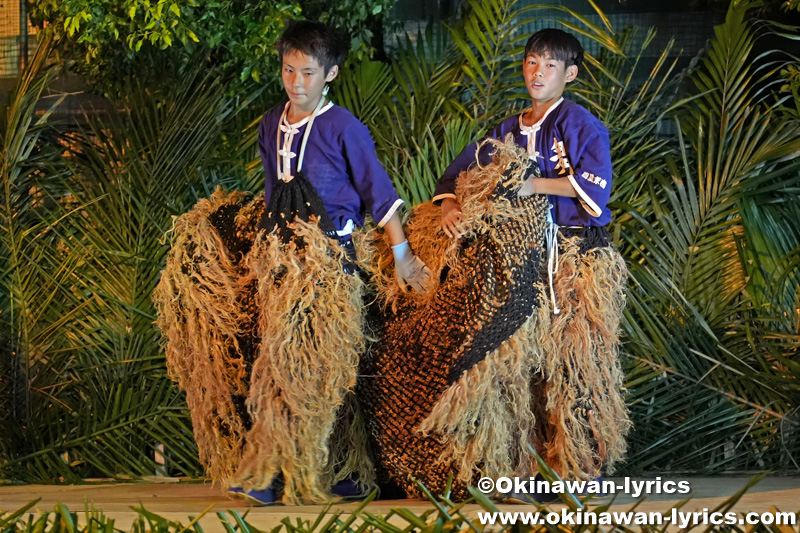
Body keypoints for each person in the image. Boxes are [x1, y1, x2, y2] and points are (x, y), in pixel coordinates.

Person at [155, 20, 430, 507]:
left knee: (295, 368)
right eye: (289, 70)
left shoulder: (343, 126)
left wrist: (402, 256)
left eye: (307, 72)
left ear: (331, 74)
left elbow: (380, 194)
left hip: (328, 266)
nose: (296, 82)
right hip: (279, 265)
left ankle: (272, 474)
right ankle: (345, 473)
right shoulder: (270, 124)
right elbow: (271, 193)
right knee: (305, 371)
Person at [357, 28, 629, 501]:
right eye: (531, 62)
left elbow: (594, 189)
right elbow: (455, 175)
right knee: (516, 369)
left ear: (570, 74)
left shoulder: (581, 123)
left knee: (573, 367)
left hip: (574, 258)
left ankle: (579, 467)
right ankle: (522, 470)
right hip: (518, 267)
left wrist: (532, 186)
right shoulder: (505, 131)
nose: (537, 71)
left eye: (549, 65)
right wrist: (449, 207)